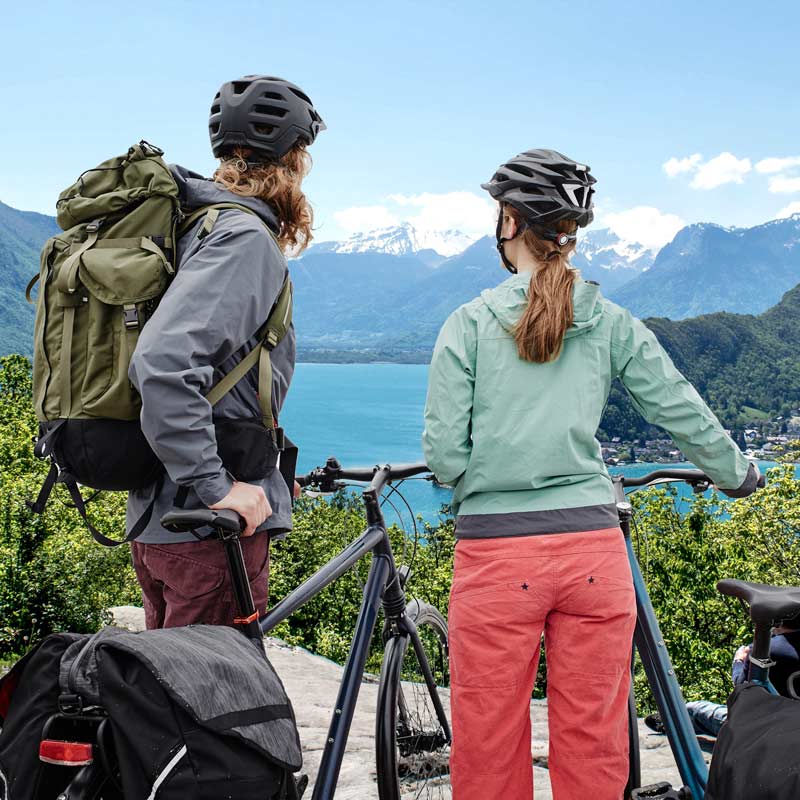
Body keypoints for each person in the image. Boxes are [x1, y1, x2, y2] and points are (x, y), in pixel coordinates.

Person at [422, 148, 760, 800]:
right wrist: (737, 474)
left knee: (488, 740)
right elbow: (679, 407)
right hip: (592, 557)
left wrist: (481, 480)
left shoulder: (467, 324)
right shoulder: (607, 319)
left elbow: (442, 454)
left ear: (510, 223)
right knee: (596, 742)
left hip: (496, 557)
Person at [127, 75, 325, 630]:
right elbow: (163, 363)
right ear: (291, 160)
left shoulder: (198, 226)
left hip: (167, 517)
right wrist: (219, 486)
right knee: (211, 711)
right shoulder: (243, 239)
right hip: (208, 532)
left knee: (168, 705)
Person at [646, 619, 800, 738]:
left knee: (694, 709)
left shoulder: (764, 650)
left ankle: (667, 723)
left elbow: (743, 688)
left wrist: (739, 662)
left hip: (763, 729)